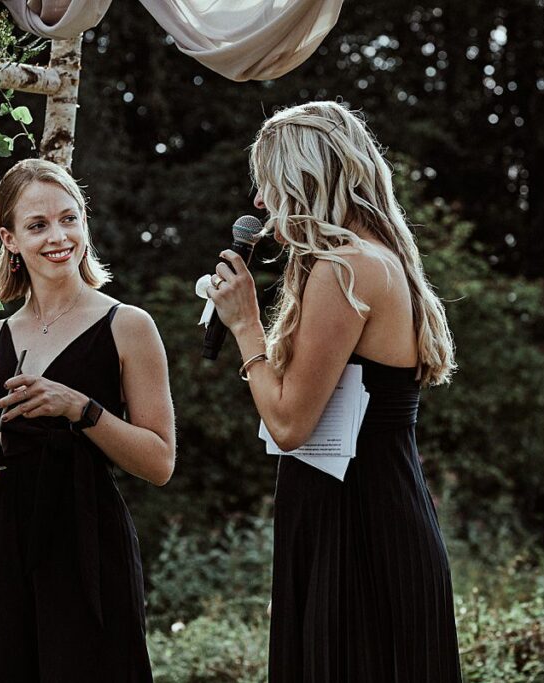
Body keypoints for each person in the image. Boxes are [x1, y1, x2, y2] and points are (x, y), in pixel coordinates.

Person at [207, 101, 463, 682]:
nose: (258, 203)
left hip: (358, 530)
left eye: (268, 184)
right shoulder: (380, 257)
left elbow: (290, 423)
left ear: (304, 181)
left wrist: (246, 324)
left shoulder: (345, 268)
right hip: (364, 517)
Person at [0, 158, 175, 682]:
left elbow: (160, 462)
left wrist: (79, 408)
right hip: (16, 541)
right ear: (10, 239)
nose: (58, 236)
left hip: (90, 544)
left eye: (69, 218)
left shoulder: (127, 325)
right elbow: (5, 466)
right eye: (37, 225)